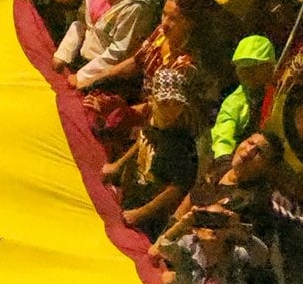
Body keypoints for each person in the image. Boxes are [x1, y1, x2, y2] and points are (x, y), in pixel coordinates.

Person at [101, 66, 198, 239]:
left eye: (177, 104)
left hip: (148, 219)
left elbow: (176, 190)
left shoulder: (183, 145)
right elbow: (142, 139)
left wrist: (140, 214)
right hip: (130, 196)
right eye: (165, 102)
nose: (171, 109)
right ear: (152, 100)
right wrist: (118, 165)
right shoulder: (153, 119)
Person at [54, 0, 157, 90]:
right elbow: (82, 22)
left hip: (109, 77)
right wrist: (64, 53)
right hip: (83, 62)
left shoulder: (136, 4)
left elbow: (119, 51)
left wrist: (83, 76)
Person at [212, 34, 278, 163]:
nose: (247, 74)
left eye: (253, 68)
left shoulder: (284, 90)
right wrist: (223, 158)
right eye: (241, 68)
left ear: (270, 66)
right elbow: (223, 131)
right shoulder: (235, 101)